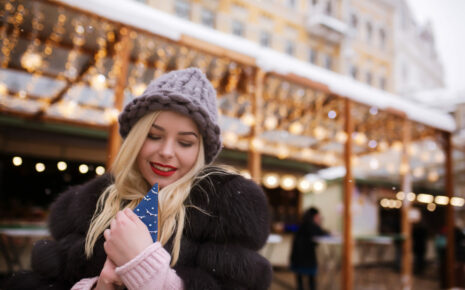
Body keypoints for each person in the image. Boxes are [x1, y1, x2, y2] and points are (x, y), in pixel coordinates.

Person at [6, 68, 272, 290]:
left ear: (200, 150)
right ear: (135, 138)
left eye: (185, 142)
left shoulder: (220, 212)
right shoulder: (92, 204)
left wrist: (146, 269)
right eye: (154, 136)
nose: (167, 152)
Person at [290, 207, 329, 290]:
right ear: (315, 216)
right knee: (311, 280)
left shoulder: (302, 223)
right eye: (318, 216)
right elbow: (322, 233)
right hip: (306, 258)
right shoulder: (311, 225)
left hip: (297, 257)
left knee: (300, 280)